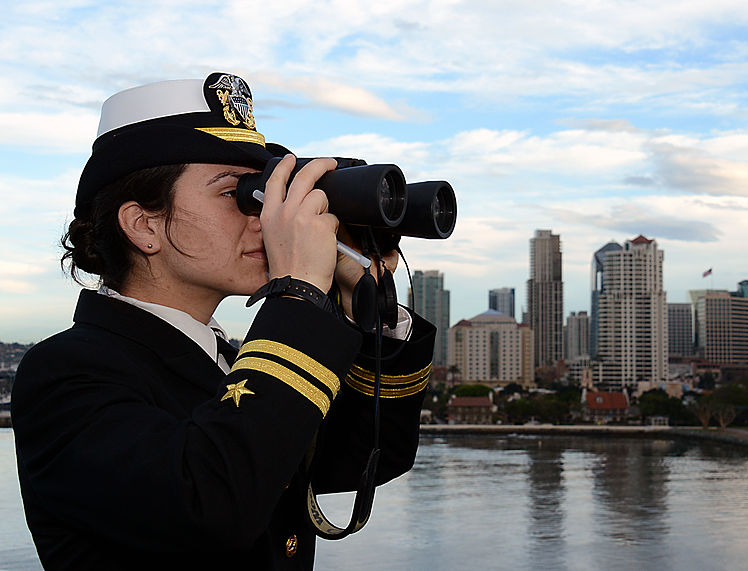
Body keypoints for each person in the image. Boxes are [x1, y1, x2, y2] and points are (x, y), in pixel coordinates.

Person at [12, 72, 434, 570]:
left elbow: (364, 458)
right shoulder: (66, 371)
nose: (264, 216)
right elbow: (210, 504)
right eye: (238, 193)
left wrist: (367, 302)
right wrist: (296, 294)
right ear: (143, 224)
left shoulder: (231, 363)